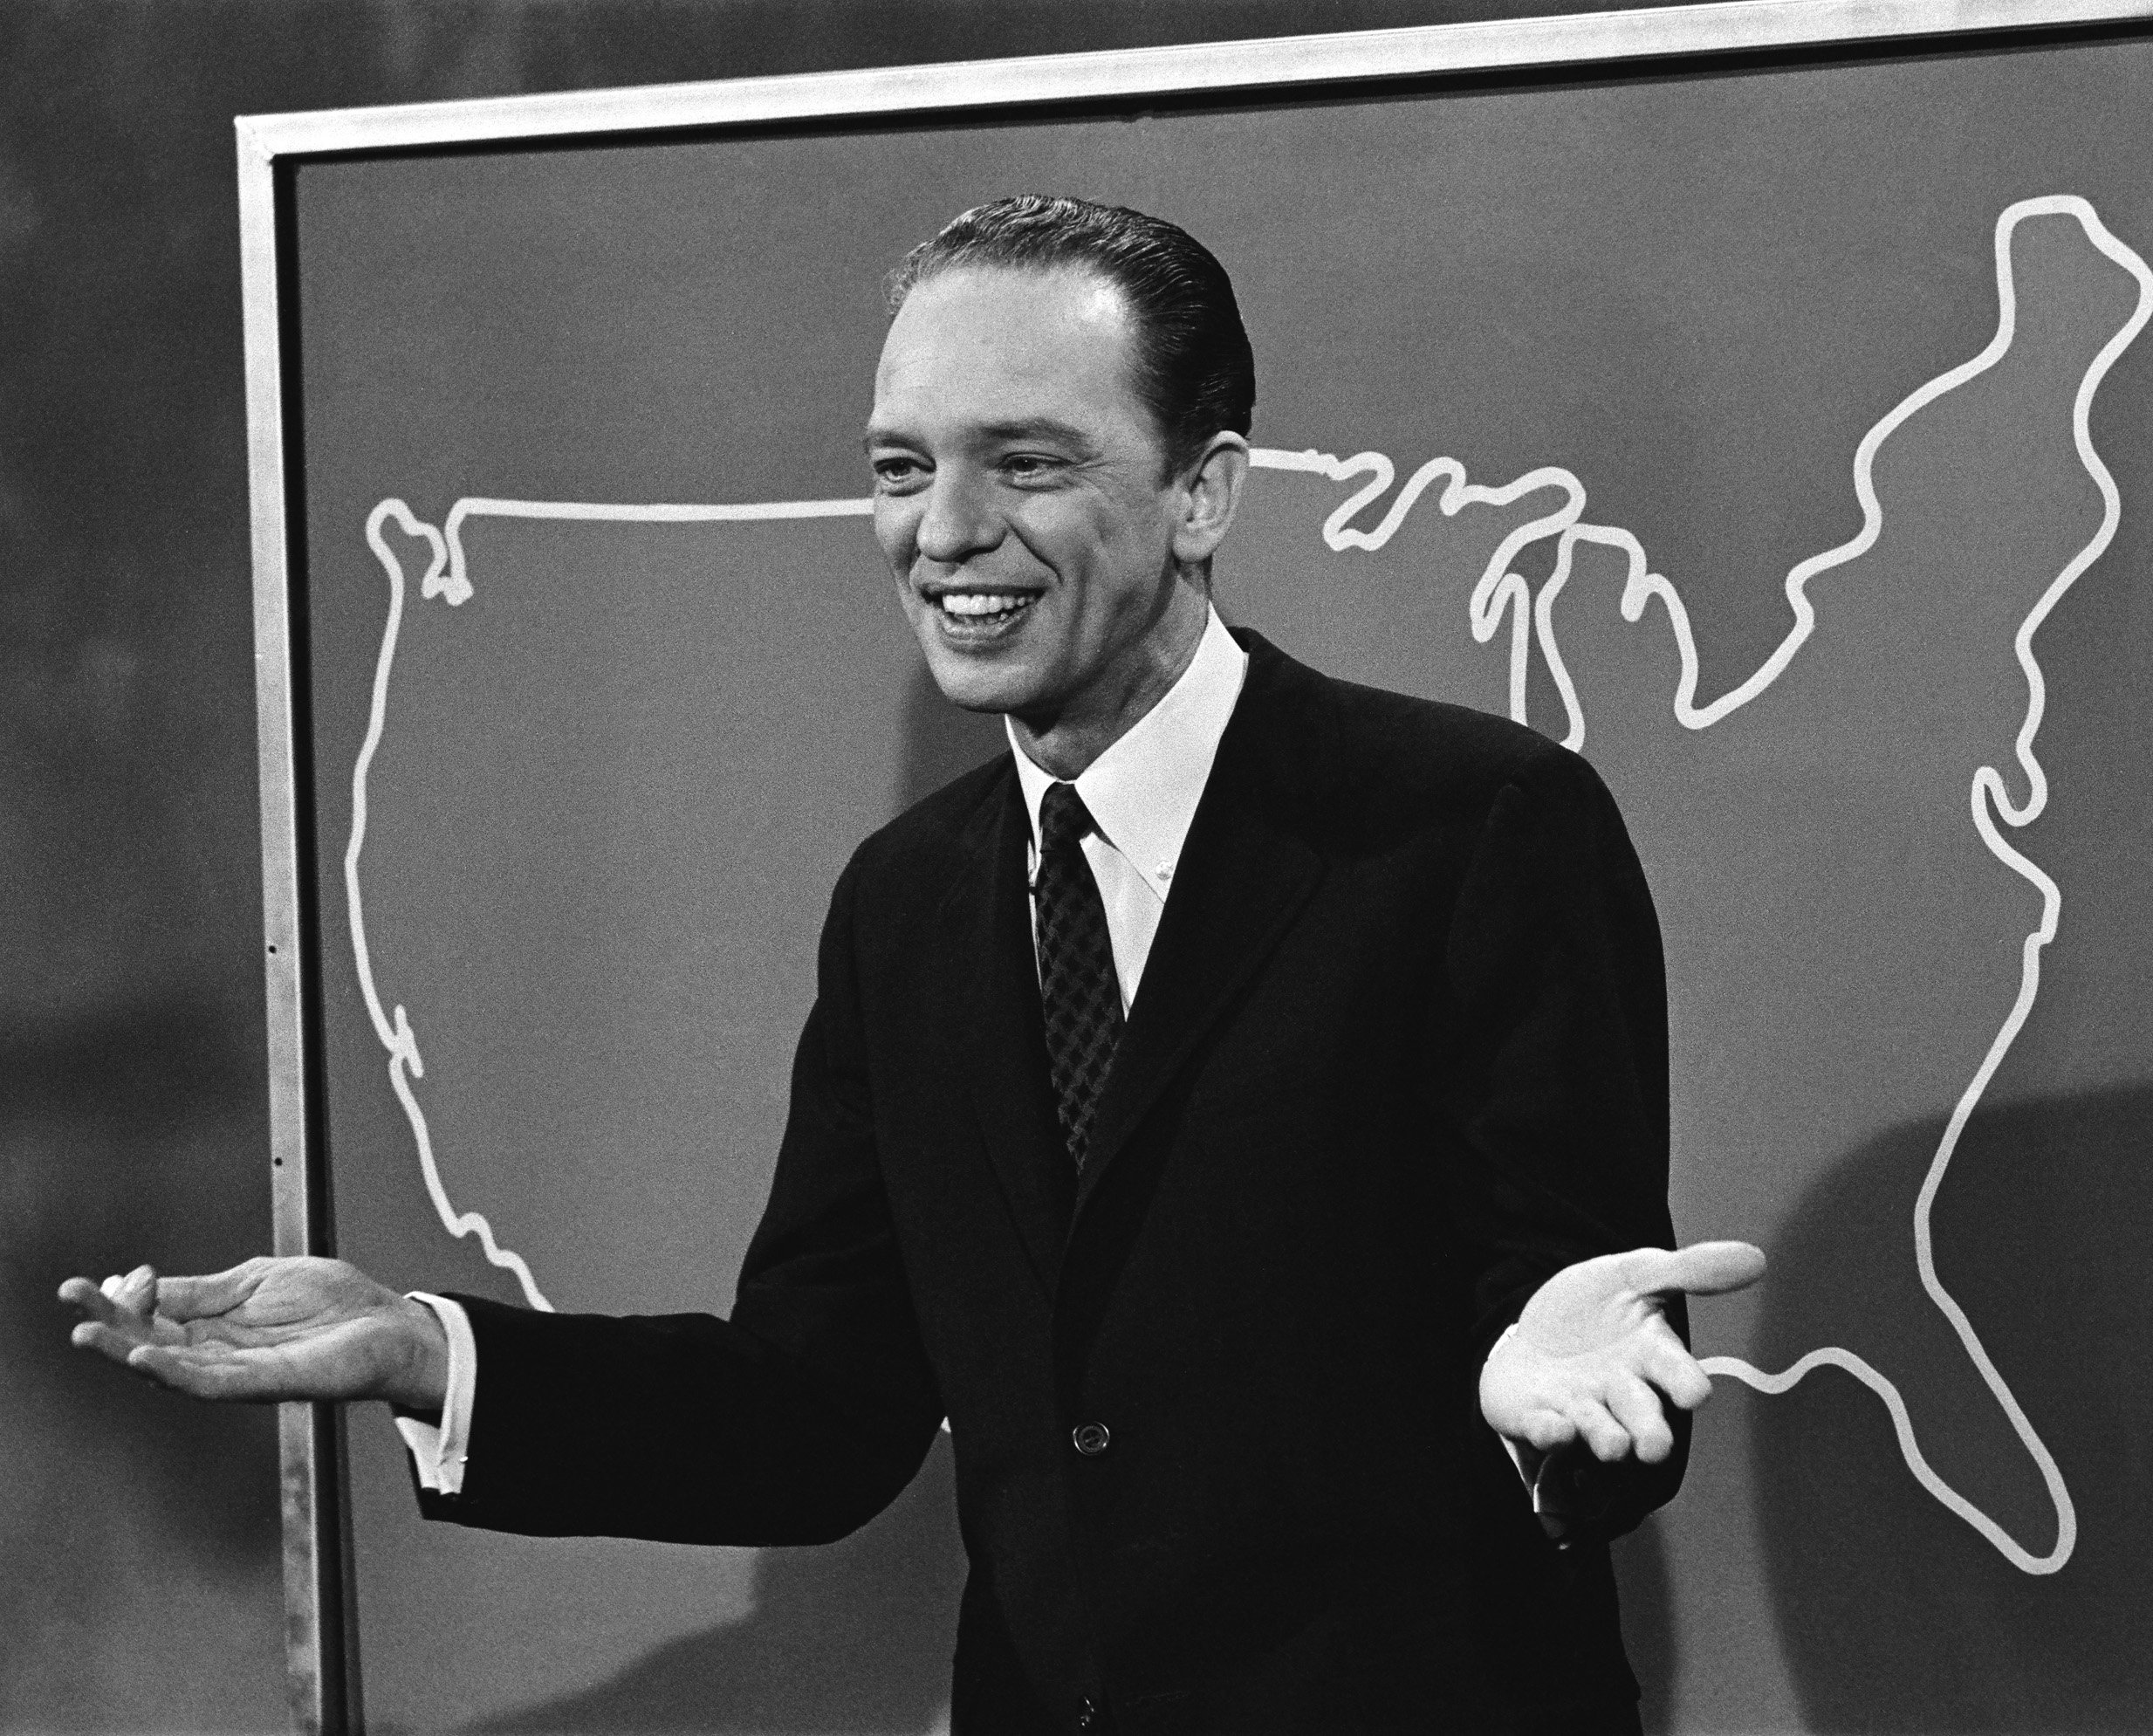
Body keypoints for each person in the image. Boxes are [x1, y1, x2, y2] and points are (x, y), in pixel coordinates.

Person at [62, 196, 1761, 1735]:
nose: (941, 529)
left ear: (1203, 489)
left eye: (1023, 461)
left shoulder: (1473, 829)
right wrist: (421, 1347)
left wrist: (1540, 1401)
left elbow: (1596, 1354)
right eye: (897, 466)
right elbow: (817, 1408)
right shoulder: (908, 905)